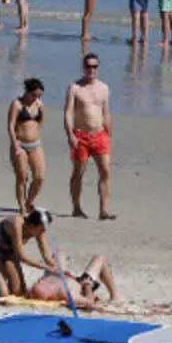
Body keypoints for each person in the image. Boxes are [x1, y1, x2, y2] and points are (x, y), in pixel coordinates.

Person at [65, 53, 113, 220]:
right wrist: (70, 134)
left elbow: (106, 113)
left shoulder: (104, 88)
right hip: (81, 135)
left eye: (95, 66)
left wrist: (109, 134)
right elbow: (68, 113)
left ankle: (103, 210)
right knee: (79, 171)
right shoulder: (75, 87)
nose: (92, 70)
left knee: (105, 170)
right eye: (89, 66)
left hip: (100, 134)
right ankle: (76, 207)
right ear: (83, 67)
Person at [0, 209, 57, 298]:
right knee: (3, 293)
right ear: (32, 225)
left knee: (18, 292)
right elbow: (22, 257)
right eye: (42, 230)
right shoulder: (16, 224)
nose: (43, 232)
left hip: (11, 252)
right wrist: (46, 267)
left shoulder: (39, 230)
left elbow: (46, 255)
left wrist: (56, 268)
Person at [7, 78, 47, 215]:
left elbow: (41, 121)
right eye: (34, 95)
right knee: (22, 177)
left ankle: (29, 202)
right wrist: (15, 145)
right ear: (27, 92)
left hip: (35, 144)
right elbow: (11, 126)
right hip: (20, 144)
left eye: (39, 96)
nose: (36, 98)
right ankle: (22, 208)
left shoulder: (40, 105)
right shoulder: (17, 104)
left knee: (40, 177)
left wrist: (33, 133)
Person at [27, 252, 119, 307]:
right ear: (50, 296)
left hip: (61, 276)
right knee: (100, 258)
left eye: (39, 282)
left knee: (59, 252)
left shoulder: (46, 283)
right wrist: (87, 285)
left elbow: (33, 291)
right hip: (82, 283)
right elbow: (89, 301)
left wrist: (57, 271)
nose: (40, 282)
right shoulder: (67, 293)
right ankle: (113, 296)